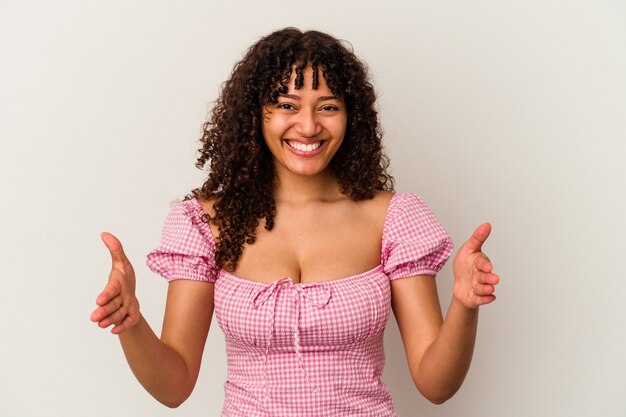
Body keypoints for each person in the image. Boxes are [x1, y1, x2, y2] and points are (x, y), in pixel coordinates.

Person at [90, 27, 499, 416]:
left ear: (350, 117)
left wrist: (464, 305)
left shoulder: (392, 217)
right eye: (287, 105)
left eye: (328, 107)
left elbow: (436, 384)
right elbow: (173, 386)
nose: (308, 126)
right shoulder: (205, 222)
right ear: (257, 114)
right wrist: (131, 322)